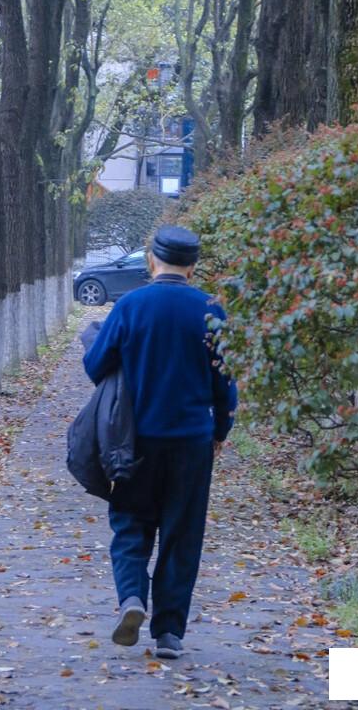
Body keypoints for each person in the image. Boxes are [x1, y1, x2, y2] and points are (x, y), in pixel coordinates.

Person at [83, 224, 237, 660]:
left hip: (134, 441)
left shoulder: (131, 305)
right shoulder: (211, 309)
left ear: (152, 259)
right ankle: (169, 634)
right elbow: (224, 379)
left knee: (130, 522)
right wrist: (221, 430)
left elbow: (96, 367)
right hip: (191, 440)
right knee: (181, 534)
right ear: (193, 265)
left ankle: (132, 597)